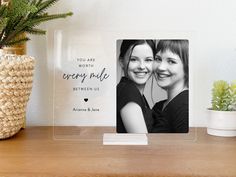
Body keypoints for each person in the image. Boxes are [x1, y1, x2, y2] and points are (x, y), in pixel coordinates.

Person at [117, 40, 155, 133]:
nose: (142, 66)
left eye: (148, 60)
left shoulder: (137, 94)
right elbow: (141, 145)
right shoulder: (128, 92)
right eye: (133, 59)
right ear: (122, 62)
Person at [152, 40, 189, 133]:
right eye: (158, 59)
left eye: (171, 61)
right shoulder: (159, 107)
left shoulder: (185, 107)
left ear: (187, 66)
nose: (161, 67)